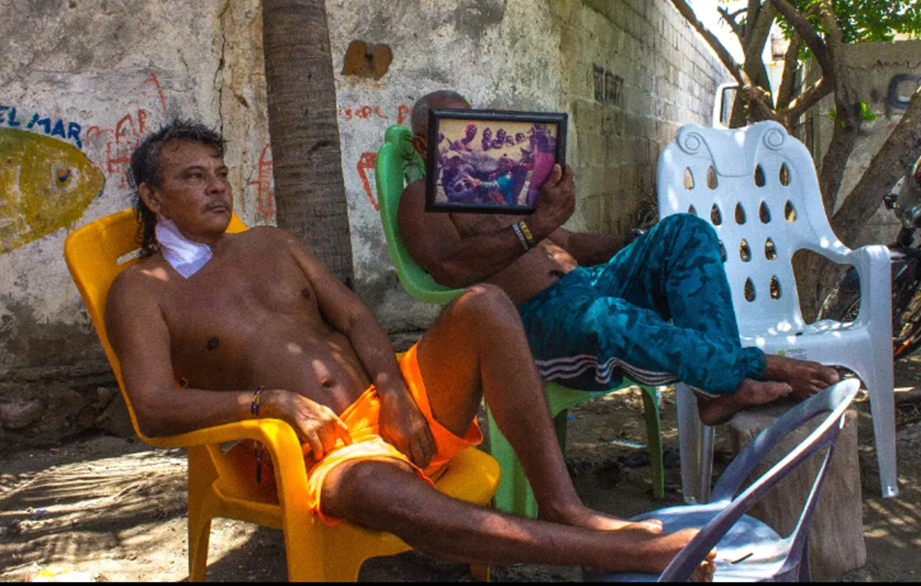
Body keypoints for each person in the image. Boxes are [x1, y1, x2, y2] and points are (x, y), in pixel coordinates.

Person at [104, 120, 716, 579]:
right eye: (193, 178)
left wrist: (394, 389)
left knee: (483, 304)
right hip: (323, 449)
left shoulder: (270, 242)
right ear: (153, 199)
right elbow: (153, 407)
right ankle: (619, 550)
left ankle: (564, 505)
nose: (216, 188)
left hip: (396, 396)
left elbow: (352, 314)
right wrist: (273, 403)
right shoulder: (140, 289)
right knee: (376, 494)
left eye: (220, 174)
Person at [399, 90, 841, 426]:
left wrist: (640, 245)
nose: (469, 137)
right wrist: (533, 225)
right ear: (423, 147)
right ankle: (747, 365)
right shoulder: (420, 198)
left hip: (589, 283)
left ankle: (715, 388)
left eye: (469, 124)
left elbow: (568, 241)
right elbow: (449, 268)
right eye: (452, 130)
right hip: (535, 324)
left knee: (685, 231)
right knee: (608, 314)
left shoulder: (501, 185)